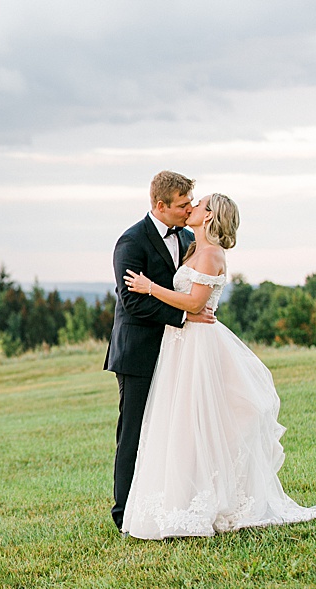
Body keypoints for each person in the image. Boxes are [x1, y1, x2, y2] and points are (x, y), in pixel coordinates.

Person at [119, 193, 316, 539]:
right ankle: (181, 499)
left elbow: (195, 301)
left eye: (198, 205)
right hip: (180, 344)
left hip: (199, 346)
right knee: (180, 424)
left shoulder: (213, 253)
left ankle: (215, 500)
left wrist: (149, 287)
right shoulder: (191, 248)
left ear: (210, 216)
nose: (192, 208)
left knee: (200, 419)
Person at [103, 171, 216, 531]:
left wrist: (193, 309)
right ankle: (124, 515)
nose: (188, 210)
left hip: (178, 353)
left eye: (190, 204)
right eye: (182, 205)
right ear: (159, 205)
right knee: (134, 432)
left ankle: (170, 504)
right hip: (138, 352)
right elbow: (133, 304)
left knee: (173, 431)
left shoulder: (188, 237)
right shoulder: (130, 242)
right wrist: (186, 315)